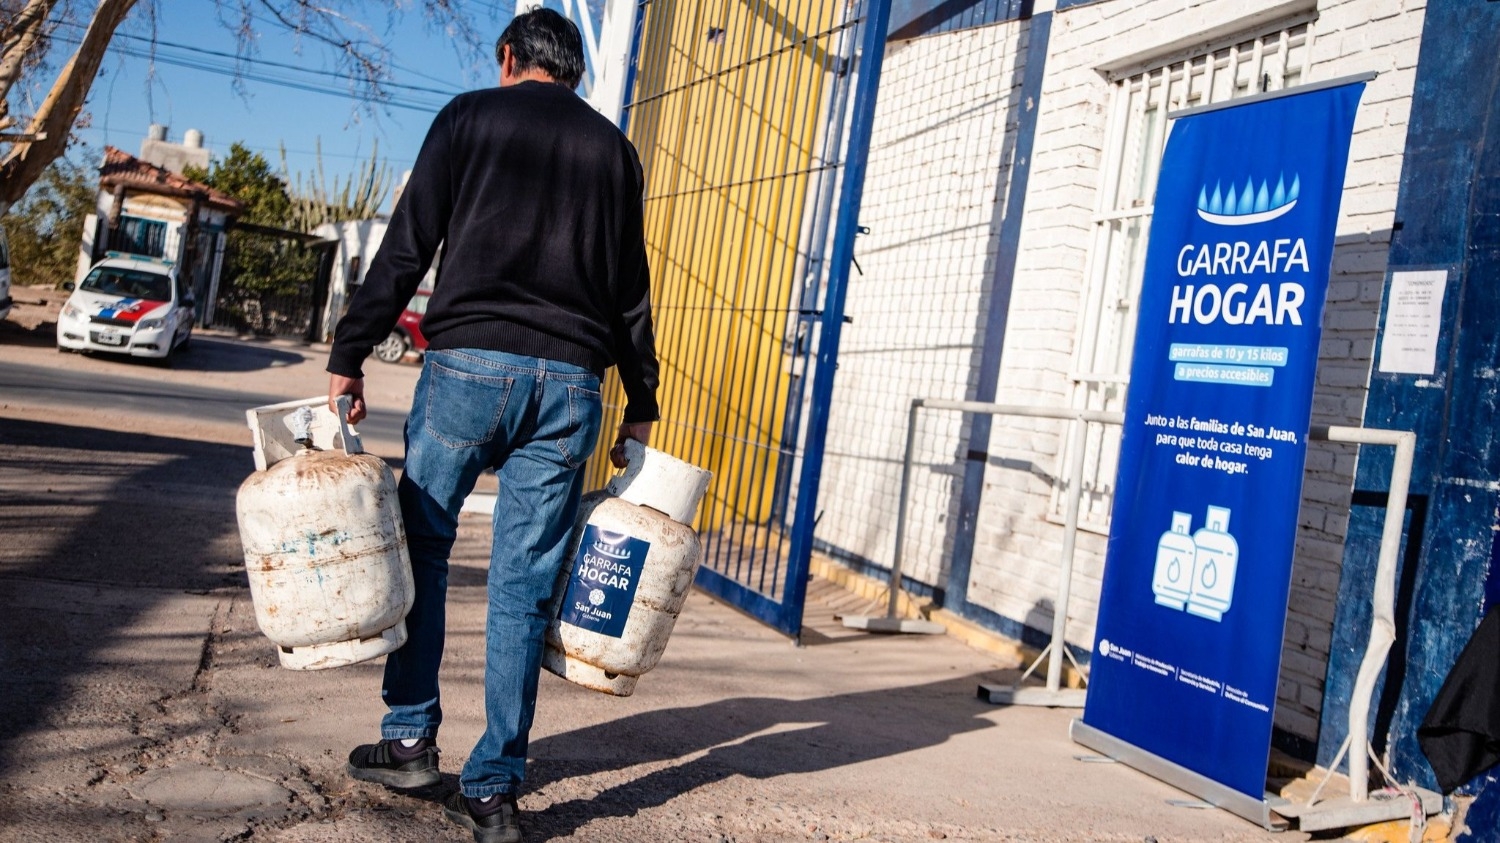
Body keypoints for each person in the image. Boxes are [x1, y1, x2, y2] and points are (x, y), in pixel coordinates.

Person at [324, 9, 658, 842]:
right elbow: (631, 291)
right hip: (571, 386)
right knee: (523, 584)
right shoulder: (615, 152)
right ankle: (495, 789)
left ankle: (409, 738)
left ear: (510, 58)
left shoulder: (468, 117)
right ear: (574, 70)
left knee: (424, 548)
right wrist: (642, 400)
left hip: (467, 371)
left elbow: (406, 247)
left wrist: (351, 349)